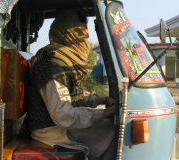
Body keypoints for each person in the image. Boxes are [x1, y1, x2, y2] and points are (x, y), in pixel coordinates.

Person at [27, 9, 116, 160]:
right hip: (52, 130)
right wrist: (104, 113)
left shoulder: (64, 61)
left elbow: (74, 95)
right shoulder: (53, 65)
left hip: (60, 124)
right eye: (81, 30)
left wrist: (103, 100)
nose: (87, 35)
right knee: (114, 134)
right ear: (66, 33)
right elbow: (62, 114)